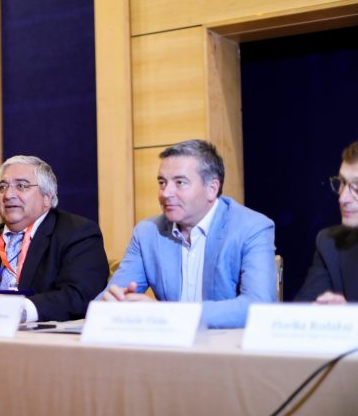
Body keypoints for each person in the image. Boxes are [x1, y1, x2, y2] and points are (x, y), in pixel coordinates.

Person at [99, 139, 277, 328]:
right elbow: (110, 298)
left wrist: (167, 313)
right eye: (162, 182)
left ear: (212, 189)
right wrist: (112, 302)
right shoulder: (147, 233)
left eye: (180, 183)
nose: (166, 193)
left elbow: (257, 307)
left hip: (227, 343)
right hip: (167, 344)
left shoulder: (251, 228)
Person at [0, 155, 110, 322]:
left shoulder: (77, 233)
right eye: (3, 187)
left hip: (41, 338)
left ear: (47, 198)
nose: (8, 195)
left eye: (21, 186)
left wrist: (18, 310)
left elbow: (78, 295)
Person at [295, 140, 358, 303]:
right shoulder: (331, 244)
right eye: (342, 183)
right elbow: (304, 307)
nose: (343, 198)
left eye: (356, 187)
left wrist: (350, 315)